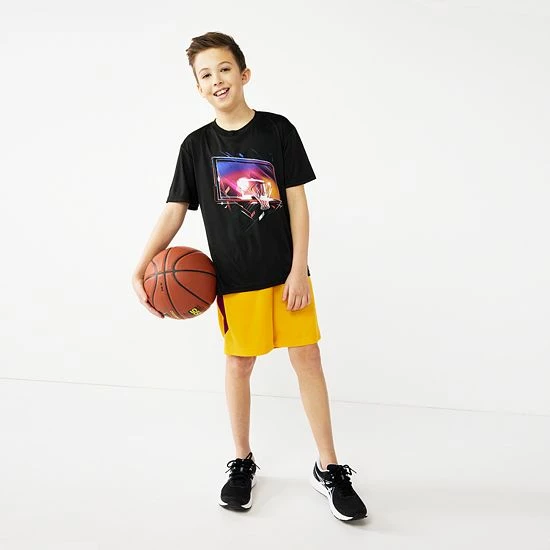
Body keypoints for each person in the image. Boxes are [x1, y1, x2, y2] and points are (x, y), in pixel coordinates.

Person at [131, 31, 367, 522]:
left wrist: (298, 269)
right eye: (205, 74)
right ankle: (242, 462)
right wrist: (141, 265)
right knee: (239, 365)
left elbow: (298, 203)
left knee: (308, 358)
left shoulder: (278, 130)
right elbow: (175, 210)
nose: (216, 80)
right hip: (234, 281)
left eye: (224, 69)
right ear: (198, 87)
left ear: (244, 74)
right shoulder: (196, 146)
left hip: (286, 275)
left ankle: (329, 466)